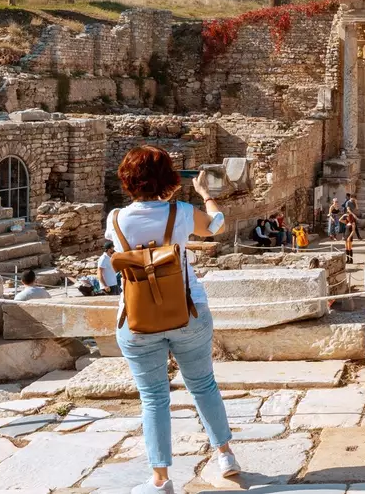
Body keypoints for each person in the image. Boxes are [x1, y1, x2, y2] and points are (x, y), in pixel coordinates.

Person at [107, 145, 242, 490]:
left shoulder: (115, 220)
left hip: (137, 319)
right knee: (203, 385)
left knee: (153, 398)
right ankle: (225, 454)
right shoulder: (181, 212)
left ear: (128, 181)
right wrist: (205, 195)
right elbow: (216, 226)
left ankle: (160, 479)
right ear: (168, 179)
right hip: (188, 313)